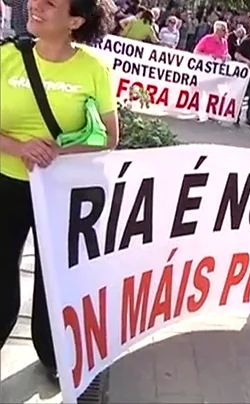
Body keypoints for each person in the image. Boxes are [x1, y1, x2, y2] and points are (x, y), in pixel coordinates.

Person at [0, 0, 119, 383]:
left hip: (60, 191)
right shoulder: (6, 57)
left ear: (75, 21)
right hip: (5, 185)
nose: (36, 5)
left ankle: (55, 357)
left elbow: (109, 138)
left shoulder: (94, 69)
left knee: (54, 280)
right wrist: (19, 148)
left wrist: (59, 152)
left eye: (51, 2)